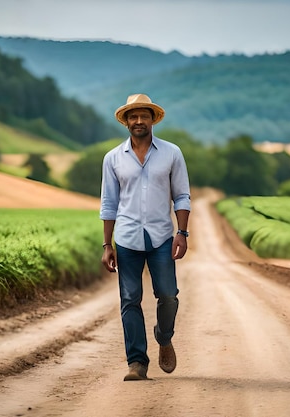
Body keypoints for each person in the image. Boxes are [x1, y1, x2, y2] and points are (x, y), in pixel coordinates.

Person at [100, 93, 191, 381]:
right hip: (126, 239)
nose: (139, 121)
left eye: (144, 116)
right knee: (130, 300)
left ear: (153, 119)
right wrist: (107, 244)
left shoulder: (171, 153)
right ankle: (137, 362)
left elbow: (182, 196)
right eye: (133, 116)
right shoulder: (113, 158)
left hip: (162, 237)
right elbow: (108, 203)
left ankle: (164, 338)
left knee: (168, 295)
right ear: (126, 122)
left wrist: (182, 232)